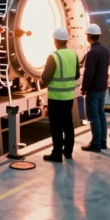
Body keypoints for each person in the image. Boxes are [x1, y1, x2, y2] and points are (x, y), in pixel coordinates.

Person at [41, 27, 78, 163]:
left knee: (56, 126)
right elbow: (77, 75)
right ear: (66, 41)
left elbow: (46, 78)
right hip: (68, 96)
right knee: (68, 124)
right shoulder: (73, 55)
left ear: (56, 41)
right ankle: (68, 152)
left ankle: (56, 154)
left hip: (56, 97)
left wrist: (42, 77)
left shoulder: (53, 57)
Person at [80, 24, 110, 152]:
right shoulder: (104, 50)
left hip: (93, 89)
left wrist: (83, 88)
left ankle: (95, 143)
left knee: (93, 117)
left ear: (89, 36)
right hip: (102, 87)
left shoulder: (92, 53)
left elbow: (89, 73)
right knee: (101, 114)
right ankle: (103, 141)